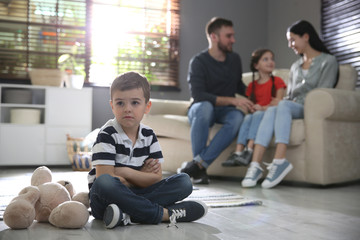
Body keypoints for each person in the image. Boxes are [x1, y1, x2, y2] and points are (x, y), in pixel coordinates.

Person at [87, 72, 207, 229]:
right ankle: (165, 214)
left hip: (129, 197)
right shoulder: (107, 134)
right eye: (120, 103)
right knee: (105, 183)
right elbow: (105, 177)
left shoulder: (149, 135)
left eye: (135, 103)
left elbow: (155, 178)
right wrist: (140, 176)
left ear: (147, 107)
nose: (127, 109)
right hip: (104, 199)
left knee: (184, 182)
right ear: (112, 106)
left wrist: (124, 172)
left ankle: (126, 215)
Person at [241, 20, 338, 189]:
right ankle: (255, 166)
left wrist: (285, 103)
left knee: (282, 106)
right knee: (273, 110)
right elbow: (291, 95)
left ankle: (279, 161)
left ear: (306, 37)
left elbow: (324, 93)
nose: (290, 44)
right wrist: (281, 102)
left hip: (312, 108)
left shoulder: (328, 61)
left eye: (292, 40)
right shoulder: (295, 66)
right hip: (293, 106)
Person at [178, 17, 254, 184]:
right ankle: (199, 168)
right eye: (229, 36)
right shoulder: (198, 62)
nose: (233, 40)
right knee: (205, 107)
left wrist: (257, 97)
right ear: (214, 37)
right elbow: (199, 96)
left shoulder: (234, 59)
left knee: (237, 117)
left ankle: (197, 166)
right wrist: (232, 101)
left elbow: (239, 85)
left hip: (224, 111)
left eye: (233, 35)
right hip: (201, 110)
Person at [222, 49, 286, 167]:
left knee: (256, 115)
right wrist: (251, 108)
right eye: (265, 59)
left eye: (272, 59)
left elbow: (280, 103)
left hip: (269, 113)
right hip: (257, 113)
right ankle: (238, 152)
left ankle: (249, 149)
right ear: (256, 65)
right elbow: (250, 105)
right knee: (247, 118)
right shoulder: (252, 85)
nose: (270, 62)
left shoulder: (278, 81)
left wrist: (261, 108)